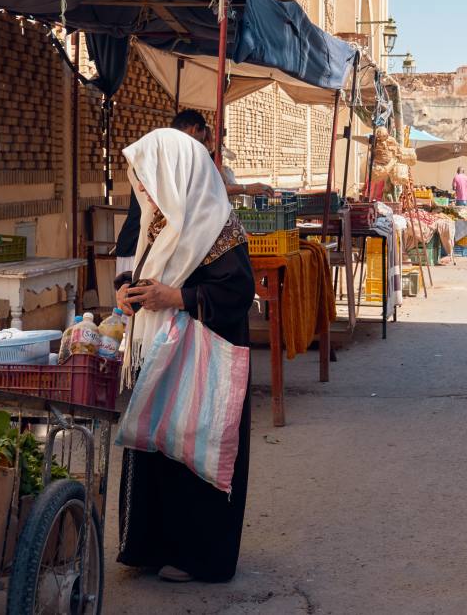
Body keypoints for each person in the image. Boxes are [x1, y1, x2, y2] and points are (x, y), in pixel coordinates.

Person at [113, 128, 256, 583]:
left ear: (178, 174)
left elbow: (237, 293)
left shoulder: (218, 226)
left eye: (151, 175)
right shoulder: (161, 220)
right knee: (159, 444)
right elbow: (149, 272)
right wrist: (129, 292)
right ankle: (153, 546)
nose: (144, 187)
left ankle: (202, 557)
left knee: (196, 446)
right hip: (162, 352)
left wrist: (175, 298)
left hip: (202, 360)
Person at [115, 110, 272, 275]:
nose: (140, 188)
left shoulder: (214, 230)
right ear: (196, 128)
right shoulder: (159, 227)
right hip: (133, 247)